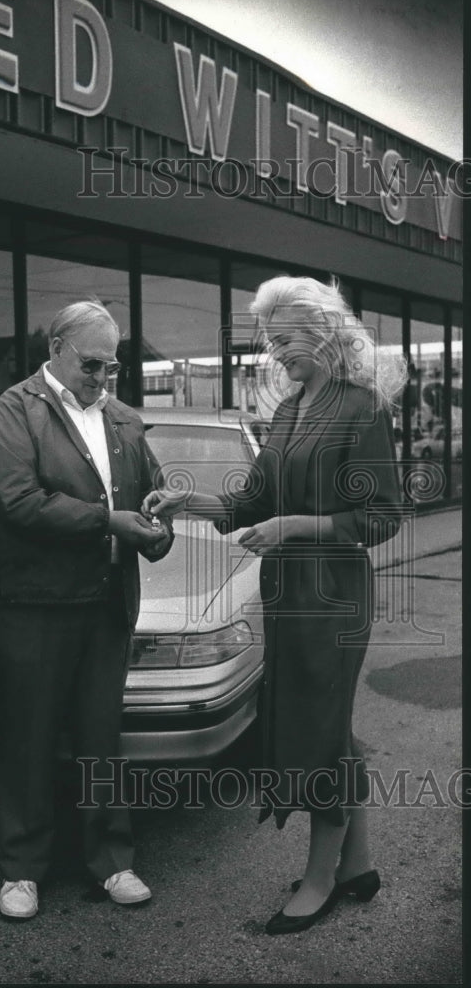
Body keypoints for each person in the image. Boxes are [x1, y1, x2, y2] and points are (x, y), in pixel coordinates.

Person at [143, 276, 406, 935]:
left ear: (322, 332)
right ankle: (359, 866)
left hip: (334, 598)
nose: (275, 350)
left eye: (284, 337)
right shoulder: (291, 410)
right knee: (331, 728)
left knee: (318, 731)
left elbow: (382, 517)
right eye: (270, 340)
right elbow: (248, 505)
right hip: (286, 595)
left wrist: (296, 526)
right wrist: (185, 500)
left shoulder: (360, 406)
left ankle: (321, 879)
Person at [0, 301, 173, 920]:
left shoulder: (123, 418)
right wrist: (108, 522)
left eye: (111, 367)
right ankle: (20, 870)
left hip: (104, 607)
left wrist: (158, 526)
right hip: (32, 606)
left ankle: (112, 860)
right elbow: (16, 500)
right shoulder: (15, 409)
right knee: (27, 739)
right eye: (92, 364)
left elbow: (151, 499)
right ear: (57, 348)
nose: (102, 378)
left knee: (100, 739)